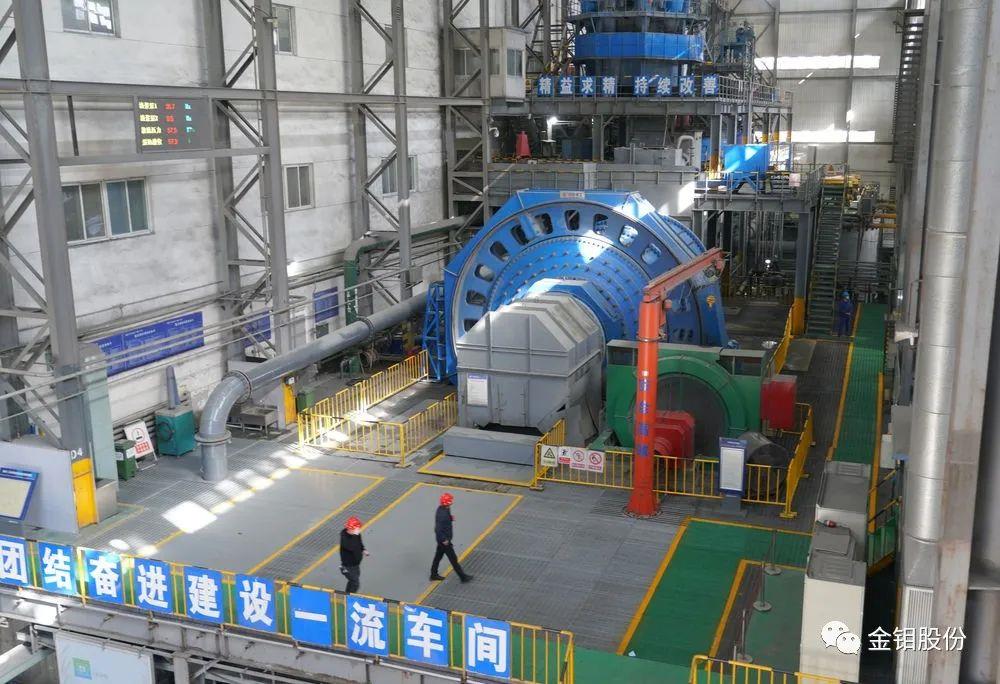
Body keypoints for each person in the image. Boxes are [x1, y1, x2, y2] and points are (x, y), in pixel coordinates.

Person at [429, 492, 473, 583]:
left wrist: (450, 518)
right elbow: (438, 529)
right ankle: (463, 577)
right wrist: (444, 540)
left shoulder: (443, 509)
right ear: (448, 503)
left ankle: (433, 574)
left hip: (441, 540)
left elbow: (443, 521)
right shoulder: (443, 515)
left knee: (438, 556)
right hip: (445, 541)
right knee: (453, 559)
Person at [339, 516, 368, 594]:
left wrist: (363, 549)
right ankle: (349, 595)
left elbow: (359, 543)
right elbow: (351, 547)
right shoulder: (345, 538)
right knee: (355, 583)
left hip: (355, 564)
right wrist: (355, 535)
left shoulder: (356, 534)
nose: (358, 530)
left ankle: (348, 593)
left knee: (354, 580)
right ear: (350, 529)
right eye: (357, 529)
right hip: (348, 566)